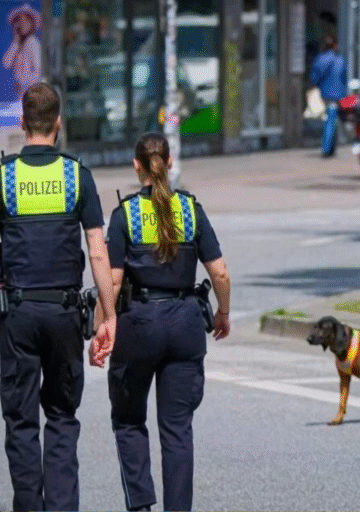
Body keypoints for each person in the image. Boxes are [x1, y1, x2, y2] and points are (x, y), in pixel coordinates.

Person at [0, 82, 117, 511]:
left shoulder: (2, 178)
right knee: (61, 416)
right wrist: (109, 315)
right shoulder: (77, 175)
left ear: (22, 123)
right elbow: (97, 251)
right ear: (58, 124)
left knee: (20, 421)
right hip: (65, 314)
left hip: (16, 315)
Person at [96, 132, 231, 511]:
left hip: (138, 326)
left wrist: (102, 324)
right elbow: (219, 273)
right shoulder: (191, 210)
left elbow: (114, 280)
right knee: (177, 431)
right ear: (169, 162)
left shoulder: (125, 215)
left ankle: (140, 505)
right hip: (185, 325)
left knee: (128, 420)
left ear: (136, 165)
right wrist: (222, 313)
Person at [309, 35, 347, 157]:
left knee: (329, 120)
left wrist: (315, 85)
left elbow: (315, 77)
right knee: (333, 120)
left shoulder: (321, 59)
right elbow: (344, 77)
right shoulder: (340, 59)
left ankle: (327, 148)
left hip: (326, 93)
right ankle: (330, 148)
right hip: (339, 94)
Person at [2, 4, 42, 100]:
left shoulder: (32, 42)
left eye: (26, 21)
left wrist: (24, 83)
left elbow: (38, 71)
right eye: (20, 21)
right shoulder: (18, 44)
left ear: (32, 24)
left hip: (31, 93)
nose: (23, 24)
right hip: (22, 94)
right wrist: (16, 41)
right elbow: (6, 63)